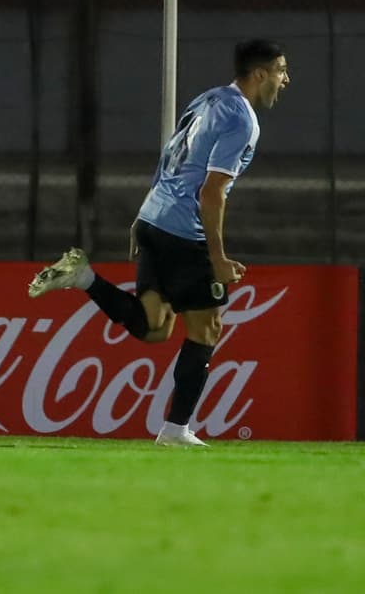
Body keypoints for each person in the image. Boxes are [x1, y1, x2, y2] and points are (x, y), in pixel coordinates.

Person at [27, 39, 290, 447]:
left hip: (156, 218)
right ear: (260, 74)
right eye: (281, 71)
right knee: (206, 328)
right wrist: (218, 258)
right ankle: (175, 430)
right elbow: (212, 193)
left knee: (154, 327)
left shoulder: (208, 100)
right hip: (184, 230)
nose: (285, 80)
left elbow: (170, 154)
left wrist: (143, 213)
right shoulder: (242, 120)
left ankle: (83, 278)